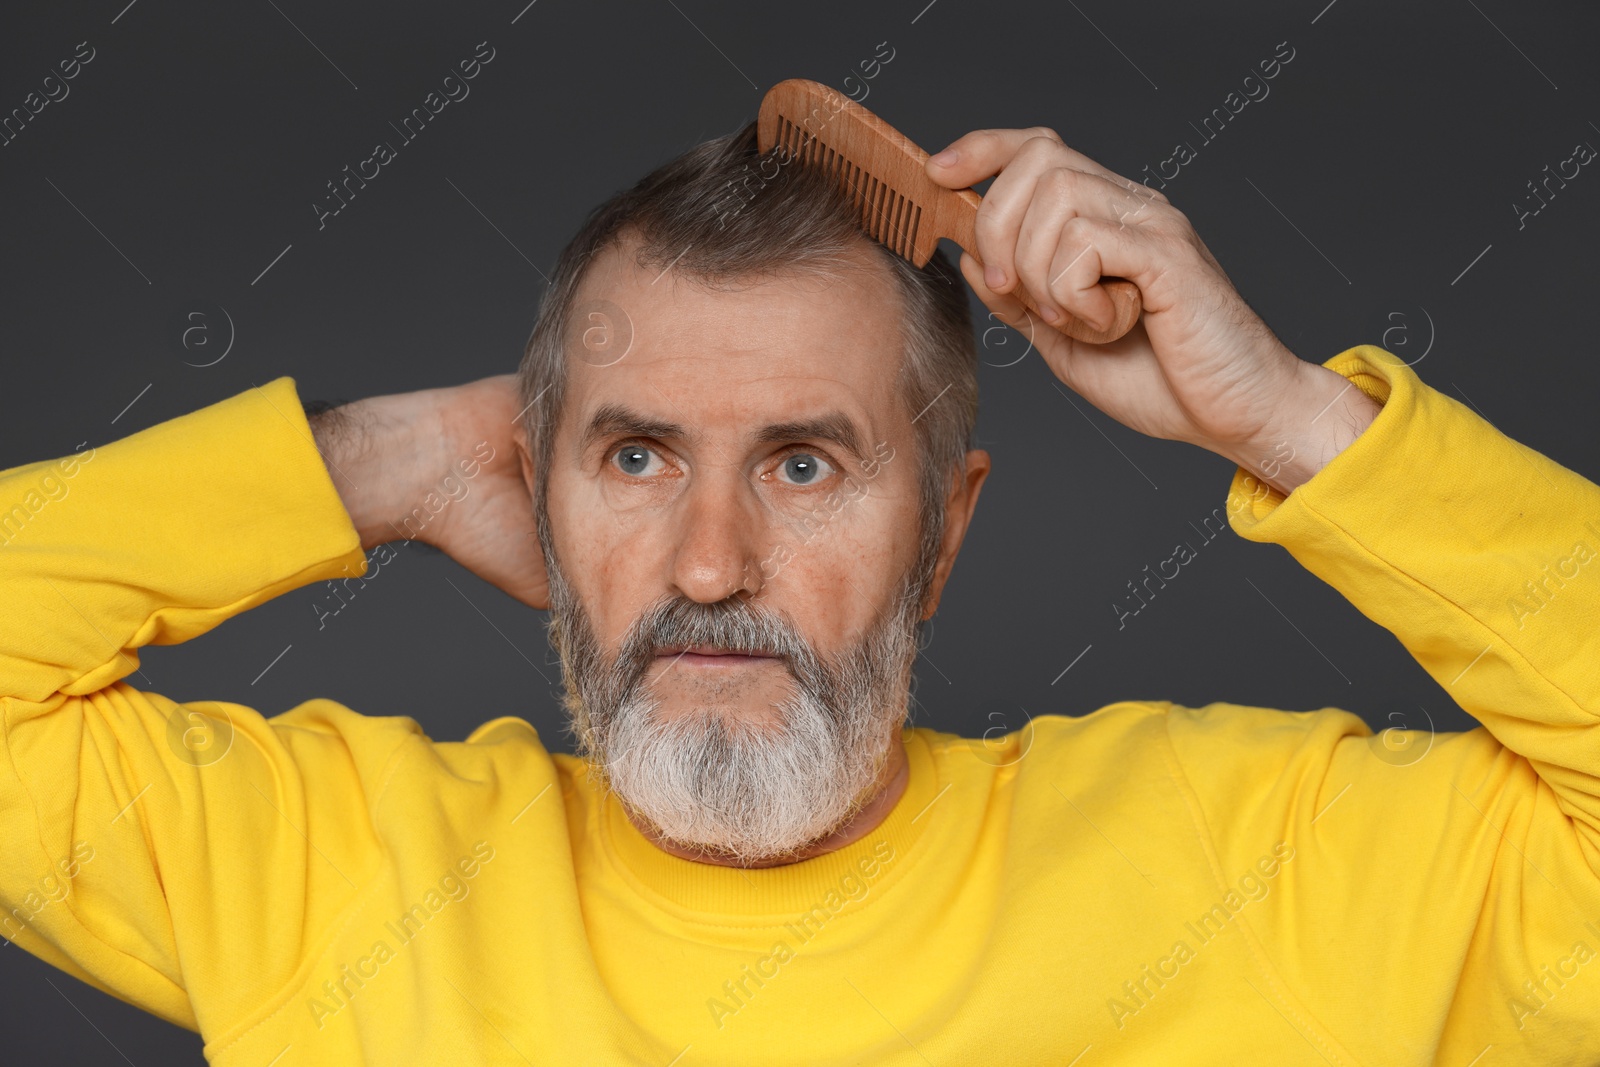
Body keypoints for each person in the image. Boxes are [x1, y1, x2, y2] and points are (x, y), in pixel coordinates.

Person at [2, 118, 1597, 1066]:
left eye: (805, 466)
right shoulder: (334, 877)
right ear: (535, 486)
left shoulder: (1270, 867)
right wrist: (383, 461)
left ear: (943, 538)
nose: (709, 565)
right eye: (633, 461)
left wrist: (1292, 418)